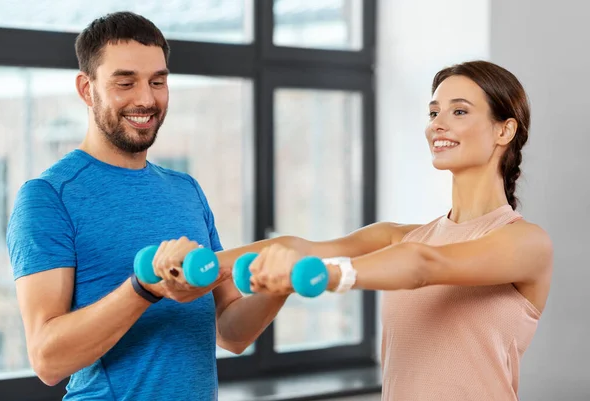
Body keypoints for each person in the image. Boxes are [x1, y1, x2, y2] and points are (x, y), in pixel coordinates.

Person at [188, 60, 553, 400]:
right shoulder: (398, 236)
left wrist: (327, 276)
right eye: (433, 112)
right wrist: (200, 266)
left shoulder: (524, 242)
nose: (436, 124)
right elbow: (301, 245)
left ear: (504, 129)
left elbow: (423, 265)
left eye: (458, 111)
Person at [6, 12, 292, 401]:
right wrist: (143, 288)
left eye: (158, 81)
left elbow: (231, 333)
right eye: (125, 82)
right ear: (87, 90)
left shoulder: (186, 189)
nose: (146, 99)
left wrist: (277, 289)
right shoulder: (48, 196)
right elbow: (48, 360)